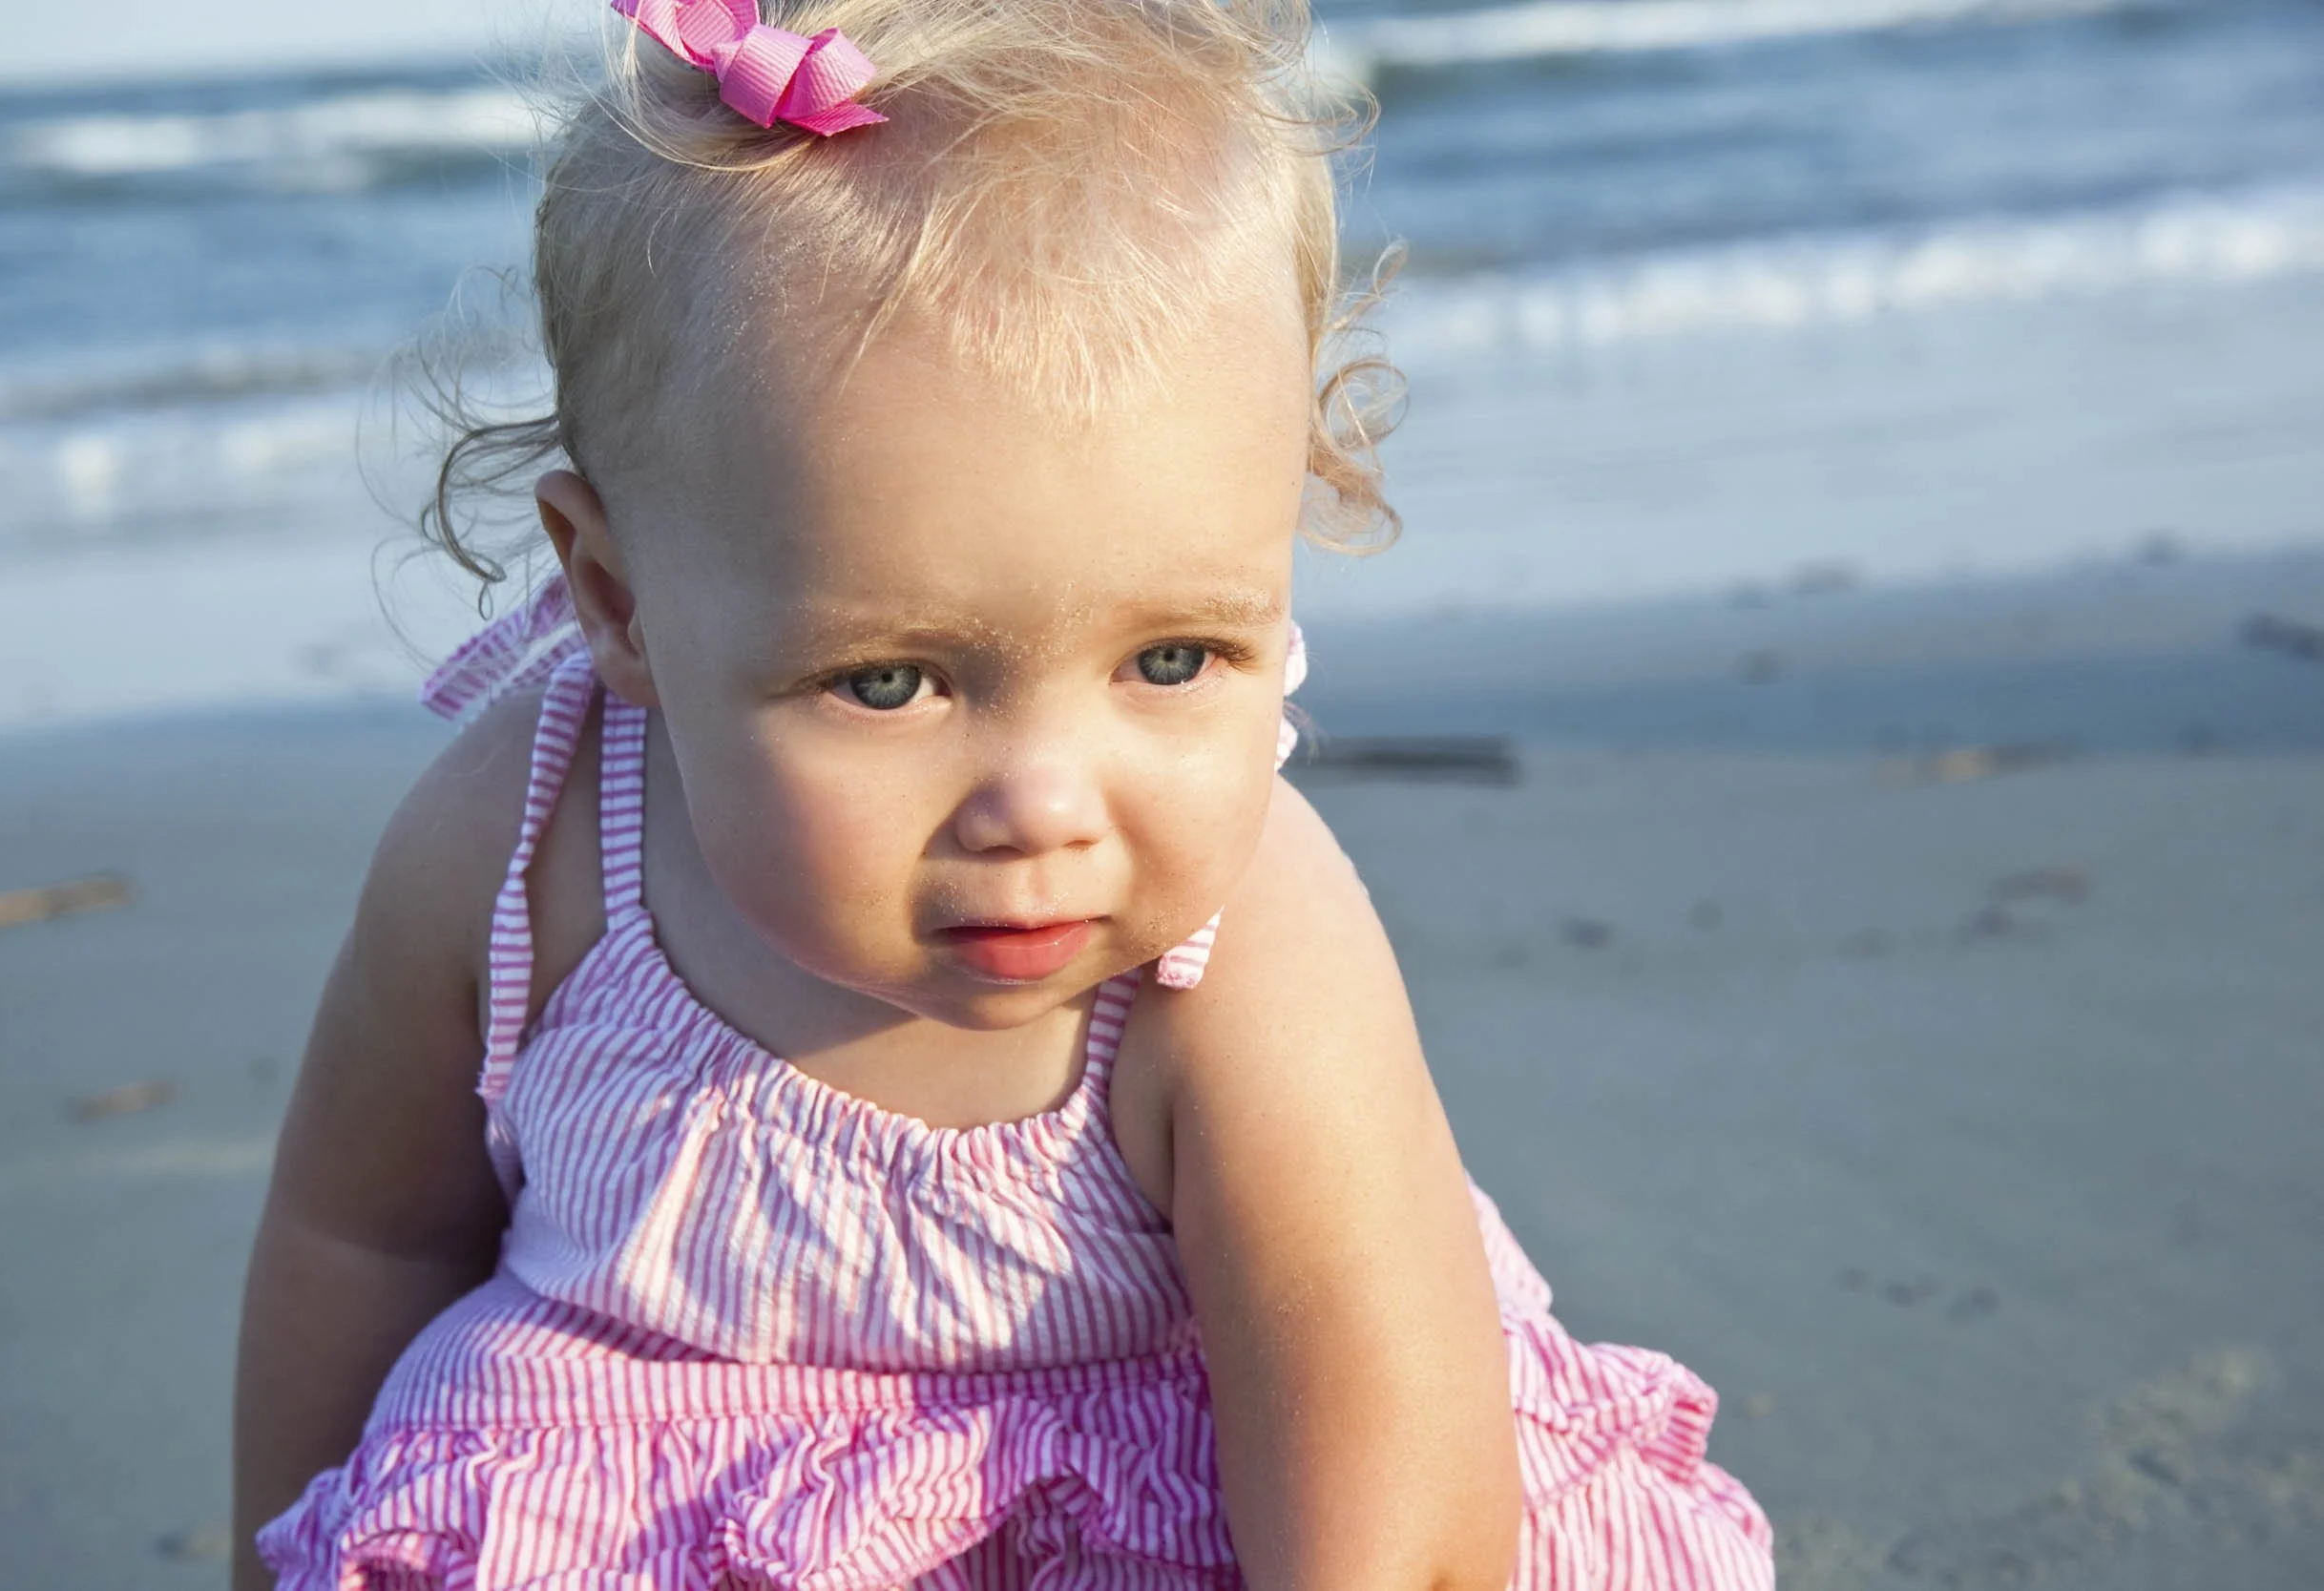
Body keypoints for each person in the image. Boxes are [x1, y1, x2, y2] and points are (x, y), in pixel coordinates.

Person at [231, 0, 1775, 1584]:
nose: (1044, 807)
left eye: (1172, 658)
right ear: (620, 601)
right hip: (632, 1507)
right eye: (891, 682)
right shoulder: (524, 839)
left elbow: (1390, 1501)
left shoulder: (1240, 954)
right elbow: (368, 1236)